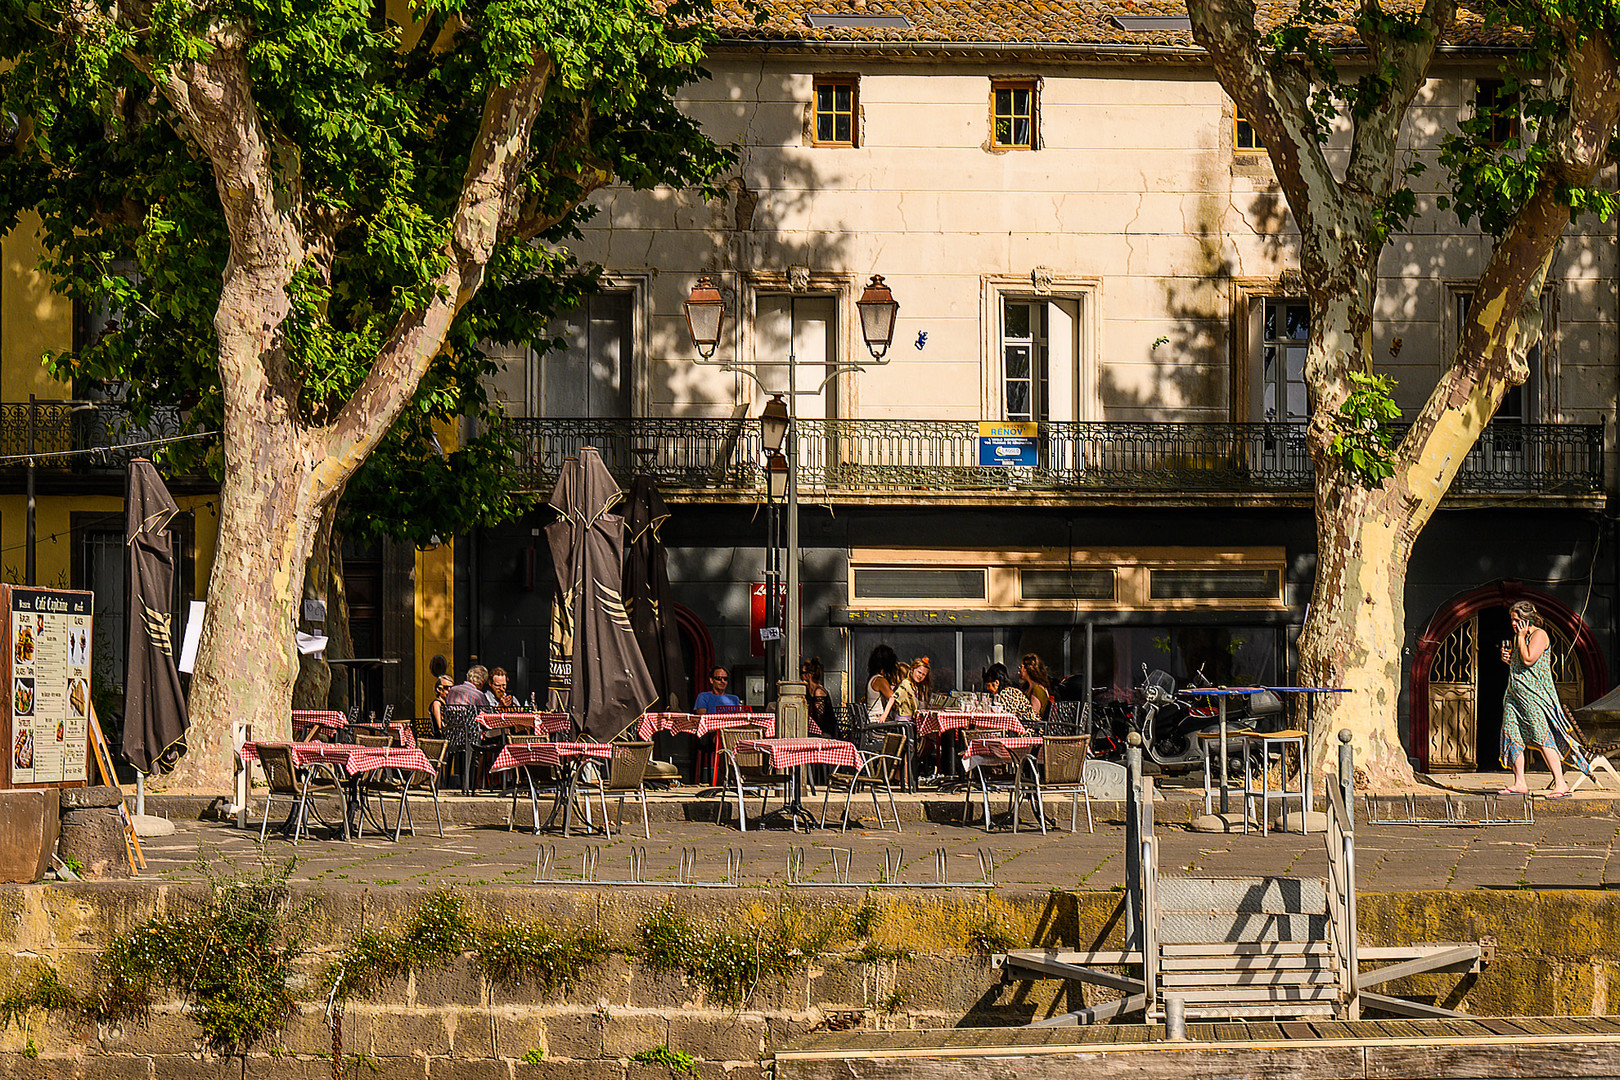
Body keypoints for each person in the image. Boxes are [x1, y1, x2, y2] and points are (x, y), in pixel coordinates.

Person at [1499, 600, 1591, 798]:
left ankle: (1560, 782)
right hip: (1515, 696)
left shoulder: (1539, 635)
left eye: (1516, 620)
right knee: (1513, 736)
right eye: (1512, 620)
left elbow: (1529, 659)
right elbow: (1522, 665)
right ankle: (1519, 782)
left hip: (1534, 697)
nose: (1514, 624)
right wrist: (1510, 658)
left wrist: (1521, 639)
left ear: (1527, 618)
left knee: (1542, 738)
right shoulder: (1520, 637)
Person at [984, 662, 1034, 727]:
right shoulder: (1012, 690)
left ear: (997, 683)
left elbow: (1005, 718)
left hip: (1026, 729)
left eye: (989, 685)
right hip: (1026, 727)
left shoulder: (1006, 693)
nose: (988, 688)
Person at [865, 644, 900, 723]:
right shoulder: (880, 680)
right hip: (877, 721)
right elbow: (893, 698)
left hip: (871, 719)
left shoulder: (873, 678)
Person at [801, 657, 835, 735]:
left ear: (809, 675)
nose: (801, 676)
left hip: (825, 733)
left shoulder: (819, 692)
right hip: (813, 730)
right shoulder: (808, 690)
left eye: (802, 673)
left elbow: (820, 720)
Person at [1021, 653, 1053, 722]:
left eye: (1021, 667)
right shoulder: (1029, 688)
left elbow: (1034, 714)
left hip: (1034, 728)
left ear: (1025, 669)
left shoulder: (1037, 689)